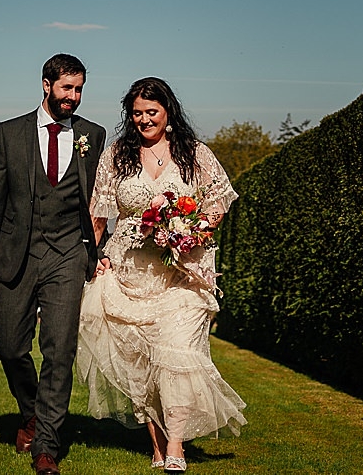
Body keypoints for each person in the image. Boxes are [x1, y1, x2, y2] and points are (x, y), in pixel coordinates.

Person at [76, 77, 247, 473]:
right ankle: (155, 444)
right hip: (128, 272)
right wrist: (91, 257)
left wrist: (192, 230)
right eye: (136, 114)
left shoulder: (195, 154)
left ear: (168, 112)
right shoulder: (117, 155)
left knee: (177, 353)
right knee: (140, 364)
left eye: (151, 112)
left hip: (183, 274)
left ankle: (176, 446)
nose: (144, 120)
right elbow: (97, 214)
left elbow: (218, 202)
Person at [0, 54, 108, 475]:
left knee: (60, 349)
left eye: (80, 88)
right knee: (11, 347)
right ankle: (31, 412)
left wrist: (98, 252)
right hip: (17, 253)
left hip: (68, 253)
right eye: (67, 88)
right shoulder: (10, 133)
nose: (74, 97)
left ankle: (46, 444)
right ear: (46, 84)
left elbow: (98, 201)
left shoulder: (93, 134)